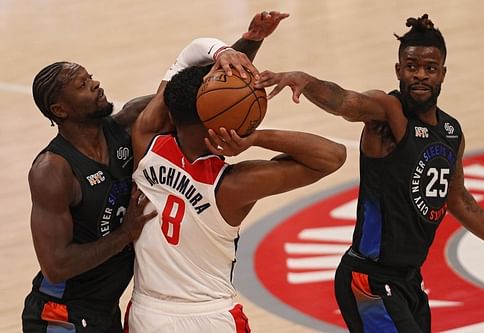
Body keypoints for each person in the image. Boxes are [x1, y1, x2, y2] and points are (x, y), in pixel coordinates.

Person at [21, 11, 286, 333]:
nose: (95, 84)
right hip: (61, 313)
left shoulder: (127, 124)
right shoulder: (53, 170)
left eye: (90, 77)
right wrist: (125, 234)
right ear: (60, 110)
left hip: (106, 308)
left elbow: (204, 95)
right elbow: (56, 265)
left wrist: (245, 44)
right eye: (82, 85)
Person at [254, 14, 484, 333]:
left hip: (409, 280)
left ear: (442, 73)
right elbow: (345, 101)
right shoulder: (387, 112)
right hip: (369, 279)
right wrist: (307, 80)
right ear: (399, 70)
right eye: (412, 67)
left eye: (430, 68)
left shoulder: (451, 131)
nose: (420, 75)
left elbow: (460, 201)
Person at [125, 18, 346, 333]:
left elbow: (184, 61)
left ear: (171, 114)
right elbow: (333, 155)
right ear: (226, 123)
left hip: (149, 313)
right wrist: (254, 137)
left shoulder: (145, 141)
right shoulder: (231, 186)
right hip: (211, 317)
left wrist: (221, 51)